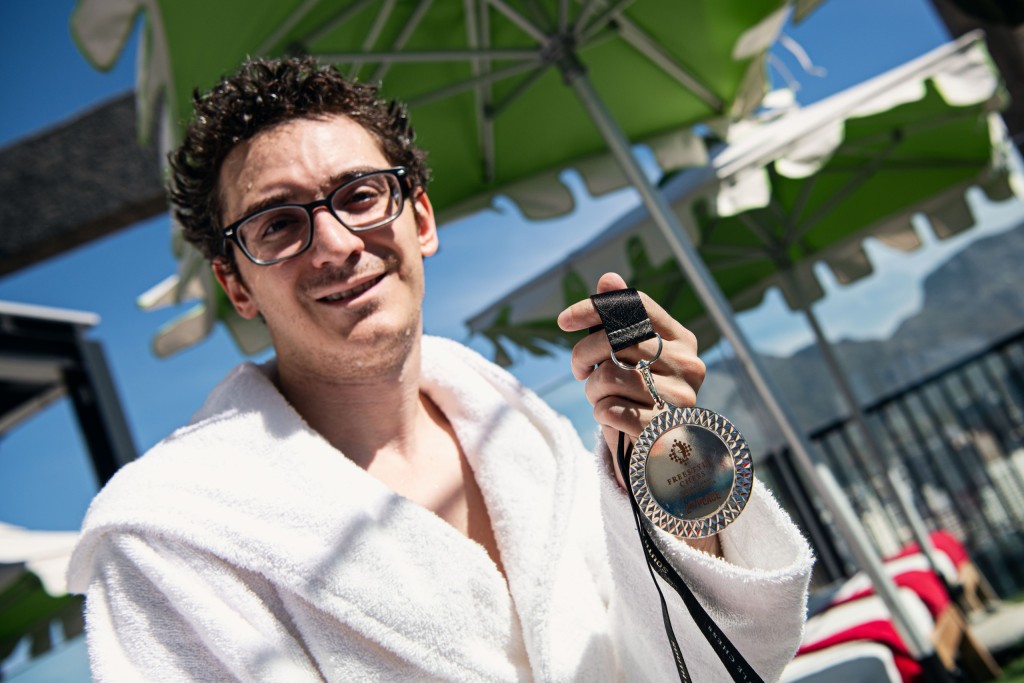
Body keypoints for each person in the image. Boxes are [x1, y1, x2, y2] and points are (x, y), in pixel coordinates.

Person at [68, 56, 813, 682]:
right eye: (278, 223)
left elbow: (717, 663)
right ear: (237, 283)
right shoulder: (172, 536)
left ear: (419, 218)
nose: (334, 243)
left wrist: (676, 464)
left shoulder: (529, 438)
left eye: (359, 195)